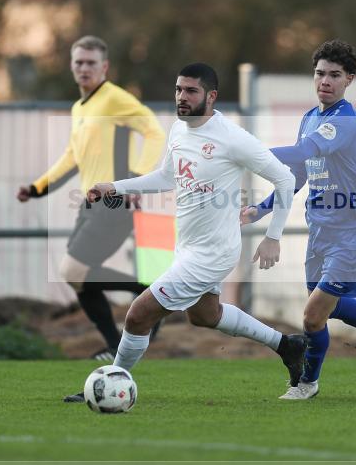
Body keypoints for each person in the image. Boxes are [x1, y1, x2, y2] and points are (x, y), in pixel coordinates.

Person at [63, 62, 305, 402]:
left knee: (138, 315)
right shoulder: (179, 129)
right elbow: (166, 177)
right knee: (205, 315)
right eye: (178, 89)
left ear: (211, 96)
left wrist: (273, 236)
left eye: (191, 91)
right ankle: (287, 345)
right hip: (189, 247)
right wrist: (115, 187)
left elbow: (285, 179)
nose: (182, 97)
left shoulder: (233, 138)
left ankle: (111, 383)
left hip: (214, 252)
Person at [241, 39, 356, 400]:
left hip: (352, 232)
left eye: (334, 75)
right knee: (328, 308)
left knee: (312, 316)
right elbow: (299, 173)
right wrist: (261, 209)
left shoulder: (345, 119)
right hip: (321, 231)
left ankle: (307, 384)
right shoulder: (309, 118)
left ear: (350, 79)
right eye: (320, 74)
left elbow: (305, 150)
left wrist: (247, 153)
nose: (325, 81)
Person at [18, 35, 166, 362]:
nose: (84, 68)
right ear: (72, 66)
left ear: (104, 66)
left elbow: (154, 131)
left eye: (90, 63)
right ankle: (117, 343)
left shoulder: (115, 99)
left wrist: (136, 180)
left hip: (115, 202)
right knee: (77, 279)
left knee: (72, 269)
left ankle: (150, 291)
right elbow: (72, 156)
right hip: (89, 205)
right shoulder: (80, 108)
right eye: (79, 62)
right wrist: (37, 187)